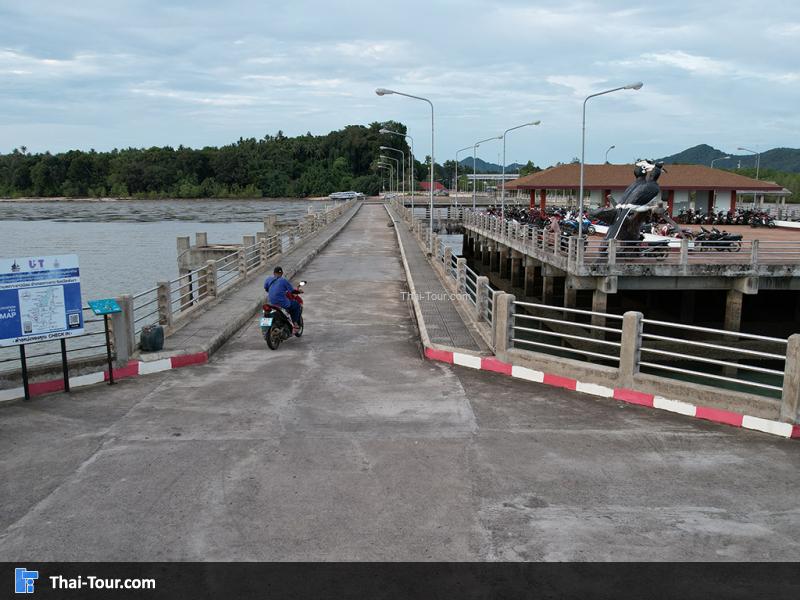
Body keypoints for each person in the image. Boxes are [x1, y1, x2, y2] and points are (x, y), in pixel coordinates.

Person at [264, 266, 302, 331]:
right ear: (282, 273)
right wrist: (299, 291)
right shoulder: (283, 280)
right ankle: (295, 323)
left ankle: (266, 328)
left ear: (273, 273)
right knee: (296, 305)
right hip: (282, 303)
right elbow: (292, 291)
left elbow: (266, 288)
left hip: (271, 303)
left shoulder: (268, 279)